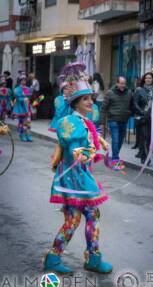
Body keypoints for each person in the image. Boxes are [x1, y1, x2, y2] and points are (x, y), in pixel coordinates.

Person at [43, 61, 112, 275]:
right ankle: (64, 258)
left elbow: (88, 135)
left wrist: (98, 139)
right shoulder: (70, 123)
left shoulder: (82, 121)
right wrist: (94, 151)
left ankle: (83, 257)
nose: (90, 101)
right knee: (79, 218)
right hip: (74, 178)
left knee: (88, 216)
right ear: (75, 102)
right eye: (85, 98)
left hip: (79, 177)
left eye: (91, 97)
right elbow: (76, 155)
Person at [100, 77, 132, 163]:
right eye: (121, 83)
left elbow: (132, 105)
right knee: (115, 139)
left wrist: (131, 113)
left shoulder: (129, 93)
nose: (123, 85)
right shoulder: (110, 93)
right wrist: (102, 123)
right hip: (113, 119)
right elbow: (103, 108)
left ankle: (115, 154)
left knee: (120, 140)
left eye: (124, 84)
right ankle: (115, 158)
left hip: (124, 119)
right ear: (117, 83)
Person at [133, 72, 153, 164]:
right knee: (145, 137)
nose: (148, 80)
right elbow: (135, 103)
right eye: (146, 78)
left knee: (151, 138)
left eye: (150, 78)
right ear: (144, 80)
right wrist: (142, 112)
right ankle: (146, 158)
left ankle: (144, 154)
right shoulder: (139, 90)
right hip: (143, 118)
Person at [12, 73, 33, 142]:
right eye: (22, 80)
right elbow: (18, 97)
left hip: (27, 107)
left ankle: (28, 135)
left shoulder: (27, 88)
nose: (24, 81)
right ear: (20, 81)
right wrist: (23, 99)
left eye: (25, 80)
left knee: (28, 122)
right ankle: (22, 135)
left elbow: (27, 96)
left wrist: (27, 99)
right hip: (21, 108)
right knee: (21, 122)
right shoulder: (17, 89)